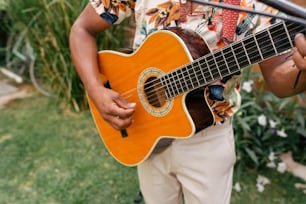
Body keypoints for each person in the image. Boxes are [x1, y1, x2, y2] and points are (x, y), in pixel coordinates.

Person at [69, 1, 306, 203]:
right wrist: (96, 89)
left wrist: (303, 70)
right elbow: (82, 29)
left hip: (208, 142)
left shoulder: (254, 5)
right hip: (144, 127)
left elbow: (277, 79)